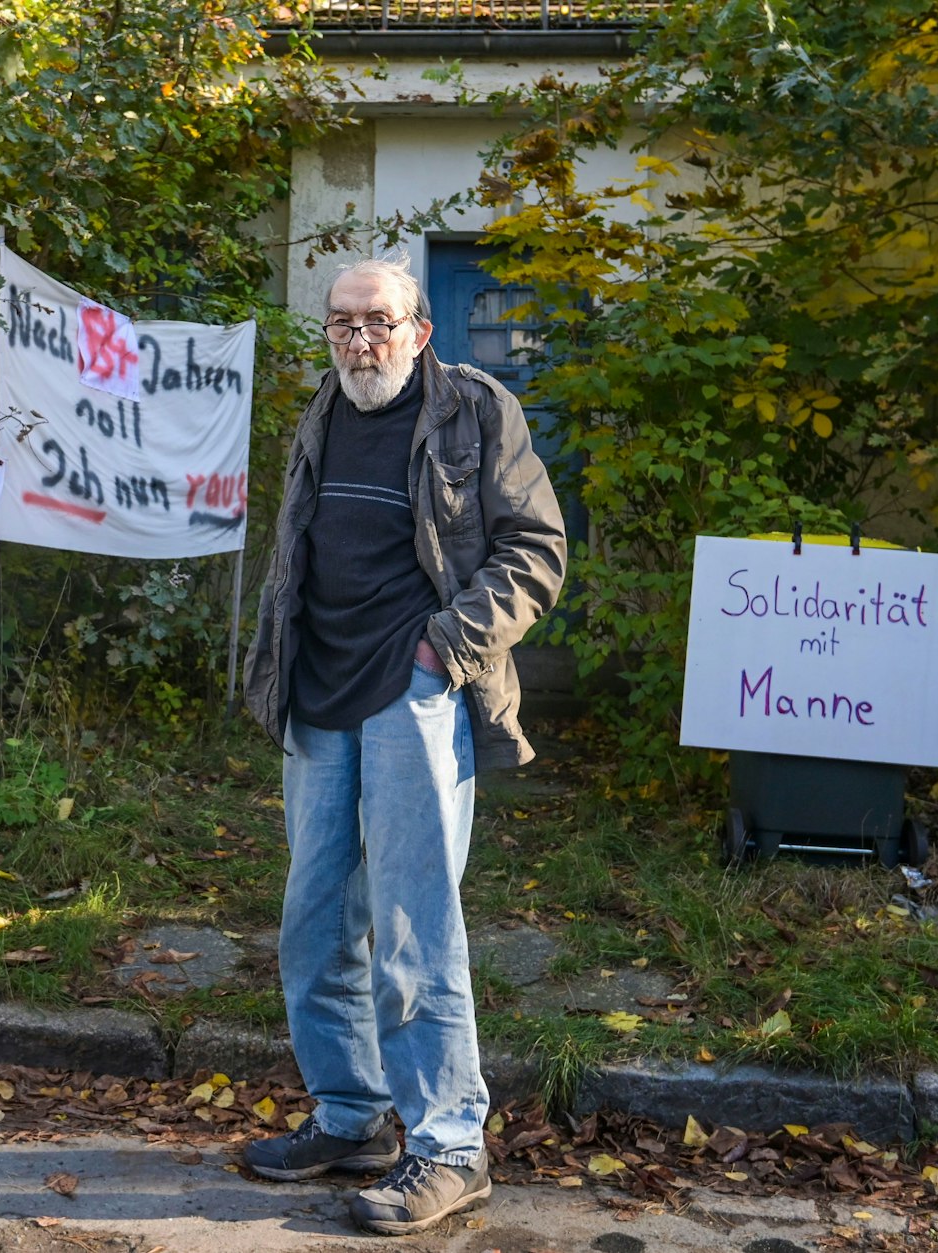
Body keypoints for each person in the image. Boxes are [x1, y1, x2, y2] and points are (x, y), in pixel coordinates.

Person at [242, 254, 566, 1235]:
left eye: (377, 321)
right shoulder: (322, 409)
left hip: (408, 690)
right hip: (316, 693)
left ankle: (449, 1145)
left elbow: (536, 548)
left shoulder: (470, 408)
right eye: (341, 323)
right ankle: (351, 1117)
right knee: (312, 920)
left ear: (419, 328)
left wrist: (442, 647)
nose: (357, 340)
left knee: (410, 923)